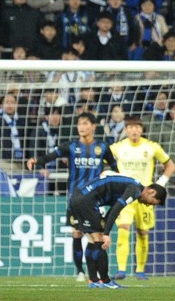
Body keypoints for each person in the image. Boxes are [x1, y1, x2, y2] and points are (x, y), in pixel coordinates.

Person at [26, 112, 117, 282]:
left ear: (93, 126)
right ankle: (81, 272)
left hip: (96, 199)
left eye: (85, 123)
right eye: (79, 124)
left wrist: (108, 172)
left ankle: (97, 274)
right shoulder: (71, 146)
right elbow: (50, 156)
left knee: (96, 236)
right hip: (75, 199)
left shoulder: (103, 147)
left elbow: (114, 167)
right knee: (78, 234)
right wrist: (36, 160)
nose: (82, 127)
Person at [68, 173, 167, 288]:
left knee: (93, 240)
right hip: (86, 200)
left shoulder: (133, 186)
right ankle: (106, 281)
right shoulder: (134, 190)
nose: (149, 205)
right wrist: (106, 233)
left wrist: (104, 225)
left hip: (78, 197)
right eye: (152, 202)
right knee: (99, 239)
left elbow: (114, 207)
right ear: (151, 192)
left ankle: (94, 281)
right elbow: (116, 208)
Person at [110, 116, 175, 280]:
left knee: (142, 232)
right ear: (126, 129)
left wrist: (160, 184)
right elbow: (102, 159)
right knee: (123, 229)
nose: (134, 130)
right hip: (124, 195)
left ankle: (140, 270)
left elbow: (170, 165)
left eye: (137, 127)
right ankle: (121, 269)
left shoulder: (151, 147)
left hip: (145, 197)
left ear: (141, 129)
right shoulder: (118, 148)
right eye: (130, 127)